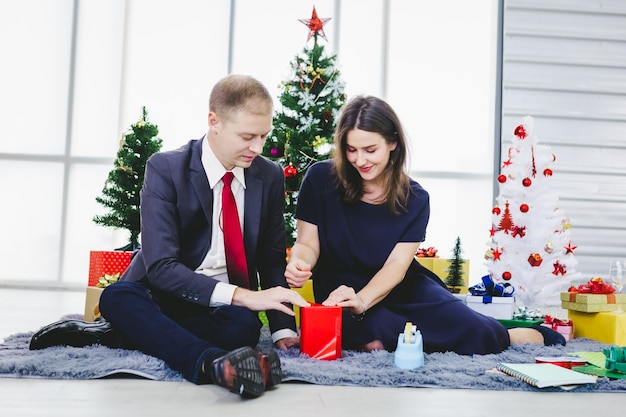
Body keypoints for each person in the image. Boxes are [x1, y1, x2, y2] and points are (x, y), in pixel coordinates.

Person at [30, 74, 310, 398]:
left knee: (245, 326)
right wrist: (244, 295)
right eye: (247, 136)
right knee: (117, 298)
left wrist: (283, 331)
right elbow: (161, 267)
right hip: (158, 296)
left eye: (264, 136)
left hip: (215, 305)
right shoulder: (166, 168)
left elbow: (271, 258)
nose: (258, 148)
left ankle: (125, 335)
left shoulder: (269, 175)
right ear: (214, 121)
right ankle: (211, 363)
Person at [284, 95, 565, 355]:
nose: (360, 160)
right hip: (341, 293)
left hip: (401, 286)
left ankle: (511, 334)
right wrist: (300, 262)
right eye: (351, 150)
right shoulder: (320, 178)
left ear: (393, 142)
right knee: (375, 336)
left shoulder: (415, 198)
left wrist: (362, 300)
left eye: (370, 150)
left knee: (478, 333)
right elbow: (307, 243)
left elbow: (396, 266)